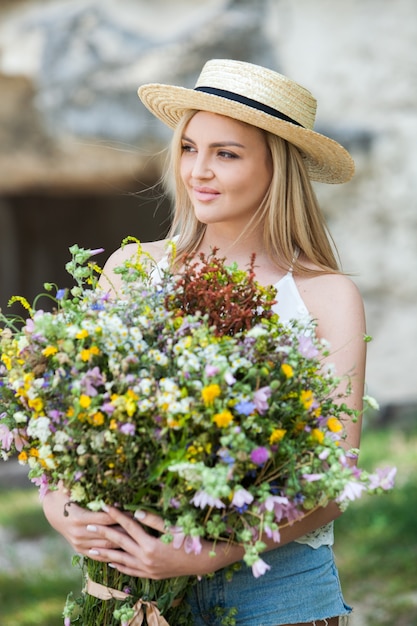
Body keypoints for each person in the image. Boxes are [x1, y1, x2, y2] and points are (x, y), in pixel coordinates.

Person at [43, 59, 366, 626]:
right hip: (124, 586)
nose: (198, 171)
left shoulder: (325, 295)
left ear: (278, 168)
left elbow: (335, 480)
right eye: (190, 148)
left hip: (275, 593)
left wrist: (207, 553)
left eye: (227, 153)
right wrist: (59, 506)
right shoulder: (131, 269)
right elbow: (68, 416)